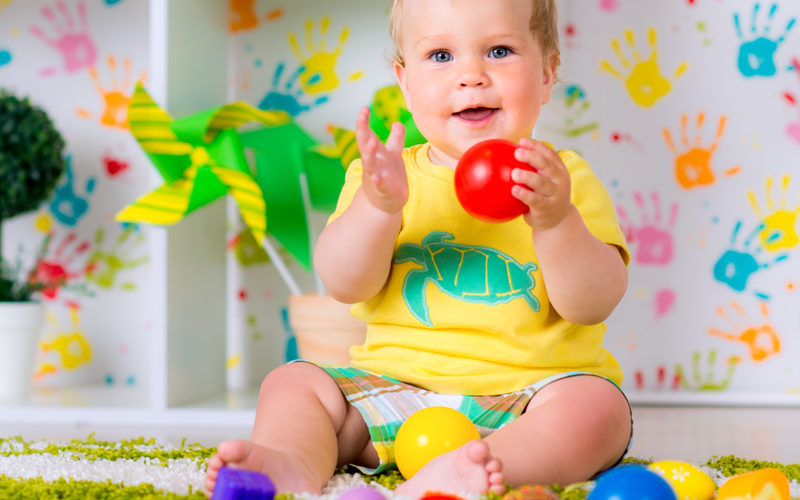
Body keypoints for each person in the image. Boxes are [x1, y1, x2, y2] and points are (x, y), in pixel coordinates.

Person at [205, 0, 632, 497]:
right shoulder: (384, 177)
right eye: (441, 56)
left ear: (547, 72)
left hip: (530, 397)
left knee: (598, 409)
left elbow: (592, 303)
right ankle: (294, 460)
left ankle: (482, 468)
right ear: (405, 83)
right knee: (293, 383)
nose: (471, 76)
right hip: (392, 389)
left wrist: (557, 222)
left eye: (499, 50)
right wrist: (380, 209)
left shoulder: (562, 180)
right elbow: (345, 285)